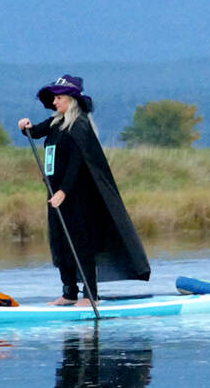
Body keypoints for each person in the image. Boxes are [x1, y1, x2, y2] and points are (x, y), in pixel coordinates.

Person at [17, 75, 150, 305]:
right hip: (55, 194)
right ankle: (69, 292)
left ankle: (91, 295)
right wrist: (25, 126)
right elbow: (35, 132)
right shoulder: (56, 122)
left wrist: (63, 192)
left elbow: (76, 165)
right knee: (60, 242)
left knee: (80, 243)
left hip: (77, 196)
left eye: (59, 98)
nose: (55, 102)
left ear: (71, 100)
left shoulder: (79, 126)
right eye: (54, 98)